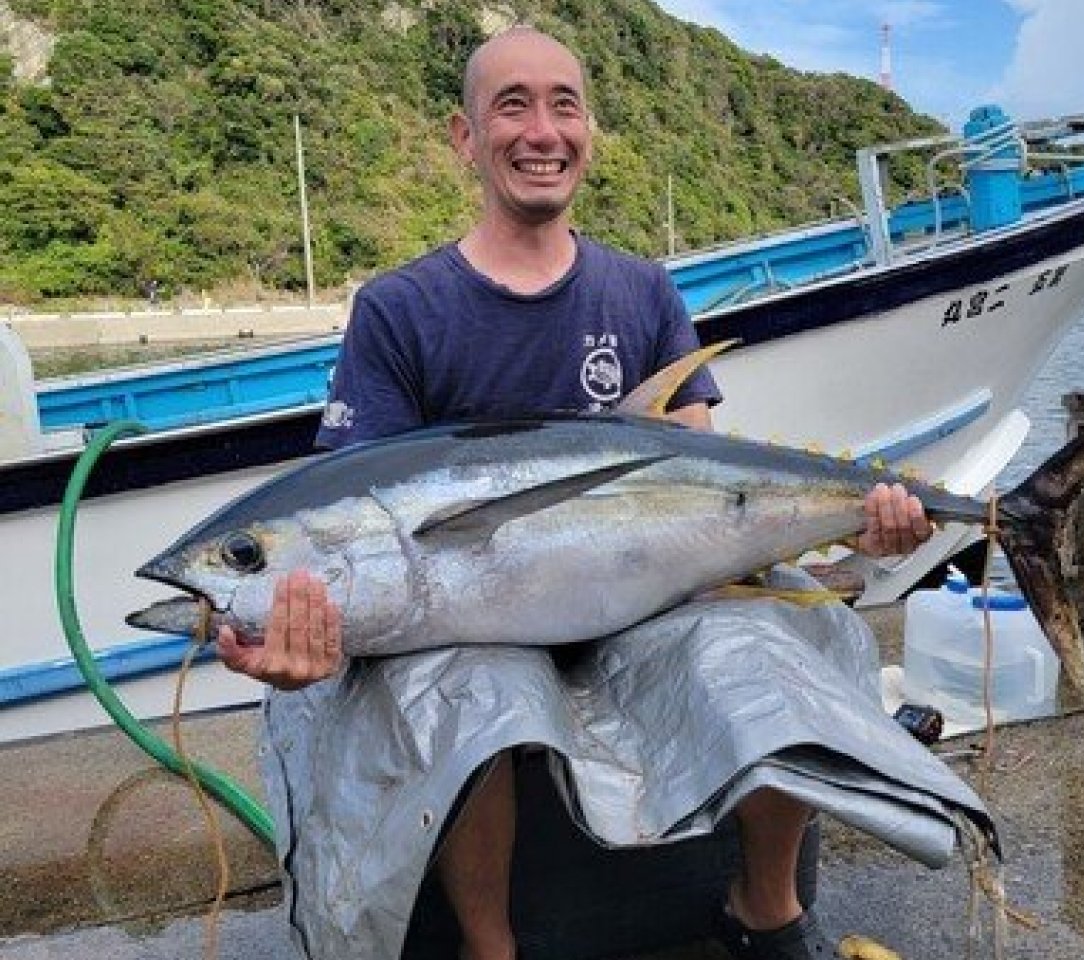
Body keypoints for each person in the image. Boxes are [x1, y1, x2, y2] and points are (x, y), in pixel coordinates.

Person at [217, 26, 932, 960]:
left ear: (589, 128)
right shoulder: (401, 309)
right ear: (465, 136)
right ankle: (491, 947)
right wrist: (306, 632)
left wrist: (855, 532)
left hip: (638, 596)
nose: (541, 129)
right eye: (511, 104)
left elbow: (705, 488)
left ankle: (766, 910)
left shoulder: (640, 293)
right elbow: (363, 520)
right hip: (479, 620)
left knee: (785, 641)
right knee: (477, 689)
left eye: (564, 103)